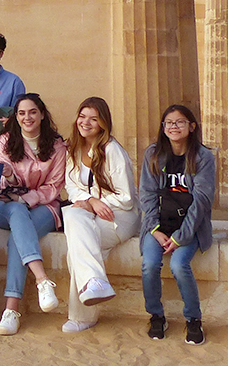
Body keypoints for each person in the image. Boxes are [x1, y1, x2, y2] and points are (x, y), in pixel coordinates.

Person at [62, 97, 140, 333]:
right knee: (72, 216)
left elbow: (126, 196)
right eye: (82, 116)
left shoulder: (112, 150)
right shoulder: (74, 148)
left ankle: (82, 316)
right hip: (91, 210)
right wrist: (90, 202)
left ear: (103, 123)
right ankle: (95, 283)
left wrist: (99, 202)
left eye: (93, 119)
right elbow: (71, 186)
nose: (86, 122)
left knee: (78, 249)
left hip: (119, 215)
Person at [139, 104, 215, 345]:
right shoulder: (153, 154)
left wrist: (180, 237)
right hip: (158, 225)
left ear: (192, 127)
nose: (173, 126)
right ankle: (156, 316)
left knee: (180, 265)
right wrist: (155, 230)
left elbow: (202, 201)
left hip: (189, 226)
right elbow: (147, 194)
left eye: (180, 122)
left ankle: (193, 320)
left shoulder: (203, 157)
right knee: (150, 265)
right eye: (168, 122)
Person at [0, 93, 66, 335]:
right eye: (22, 113)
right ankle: (42, 279)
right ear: (16, 116)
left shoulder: (56, 145)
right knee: (16, 211)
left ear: (42, 114)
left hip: (44, 207)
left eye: (32, 112)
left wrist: (27, 198)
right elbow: (1, 185)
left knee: (19, 235)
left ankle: (11, 310)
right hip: (5, 206)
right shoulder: (5, 142)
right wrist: (11, 178)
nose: (27, 117)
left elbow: (55, 185)